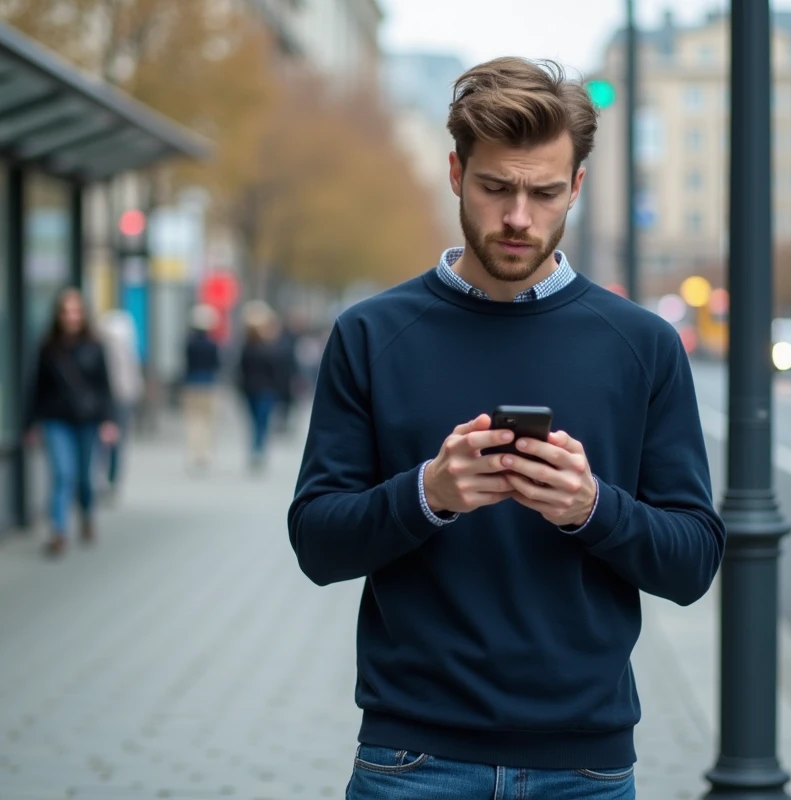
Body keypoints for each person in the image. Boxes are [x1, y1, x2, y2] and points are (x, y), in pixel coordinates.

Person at [288, 57, 725, 799]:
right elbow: (317, 544)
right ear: (457, 173)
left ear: (577, 188)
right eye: (496, 188)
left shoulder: (642, 344)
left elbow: (692, 563)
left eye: (545, 192)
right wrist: (427, 495)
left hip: (585, 765)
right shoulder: (370, 333)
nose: (519, 217)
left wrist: (592, 508)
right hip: (412, 758)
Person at [26, 288, 118, 557]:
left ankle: (87, 516)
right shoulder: (48, 347)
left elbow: (104, 387)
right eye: (66, 311)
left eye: (76, 311)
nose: (71, 316)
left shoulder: (95, 346)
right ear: (58, 314)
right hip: (56, 420)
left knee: (84, 479)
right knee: (63, 474)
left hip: (88, 420)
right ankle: (58, 531)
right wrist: (29, 423)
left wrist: (109, 420)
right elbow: (35, 387)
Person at [96, 309, 144, 496]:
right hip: (119, 399)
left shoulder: (109, 346)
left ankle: (107, 477)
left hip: (117, 399)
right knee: (116, 440)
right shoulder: (122, 347)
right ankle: (111, 477)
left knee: (108, 440)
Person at [237, 301, 282, 471]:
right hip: (262, 390)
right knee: (260, 421)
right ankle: (258, 449)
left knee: (257, 421)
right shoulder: (266, 348)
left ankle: (257, 449)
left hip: (255, 389)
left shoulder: (248, 348)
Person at [182, 303, 222, 470]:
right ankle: (205, 451)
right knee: (208, 420)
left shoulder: (189, 344)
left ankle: (194, 451)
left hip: (192, 383)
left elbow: (186, 363)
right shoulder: (212, 345)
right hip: (209, 383)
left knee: (193, 420)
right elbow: (217, 364)